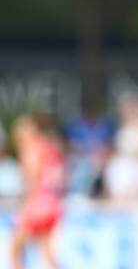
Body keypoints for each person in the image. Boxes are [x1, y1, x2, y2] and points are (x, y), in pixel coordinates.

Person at [11, 113, 67, 269]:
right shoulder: (49, 146)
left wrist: (27, 202)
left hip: (37, 204)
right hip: (53, 203)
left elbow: (32, 178)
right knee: (47, 253)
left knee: (14, 249)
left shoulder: (30, 147)